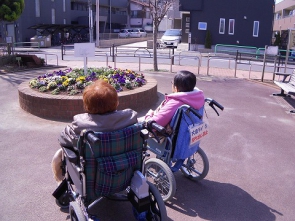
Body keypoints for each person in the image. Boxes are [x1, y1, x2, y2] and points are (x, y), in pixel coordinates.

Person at [52, 80, 138, 184]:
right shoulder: (130, 118)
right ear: (117, 103)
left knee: (60, 153)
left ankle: (60, 181)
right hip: (125, 169)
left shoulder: (80, 125)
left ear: (86, 106)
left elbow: (63, 139)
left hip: (95, 178)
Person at [140, 70, 205, 128]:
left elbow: (154, 124)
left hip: (163, 138)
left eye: (172, 83)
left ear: (176, 88)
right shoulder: (198, 98)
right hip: (188, 135)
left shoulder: (175, 103)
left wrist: (149, 114)